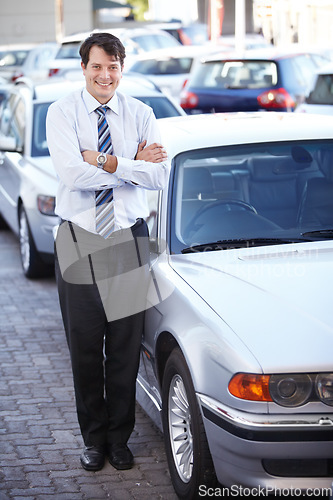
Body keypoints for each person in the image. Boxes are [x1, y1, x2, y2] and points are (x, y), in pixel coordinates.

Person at [46, 32, 169, 472]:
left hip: (126, 239)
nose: (105, 75)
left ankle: (119, 439)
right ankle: (93, 440)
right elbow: (71, 174)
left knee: (123, 346)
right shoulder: (62, 113)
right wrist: (133, 165)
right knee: (84, 346)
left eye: (113, 67)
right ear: (83, 68)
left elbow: (159, 177)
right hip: (79, 238)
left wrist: (107, 161)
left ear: (122, 68)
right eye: (97, 66)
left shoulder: (141, 113)